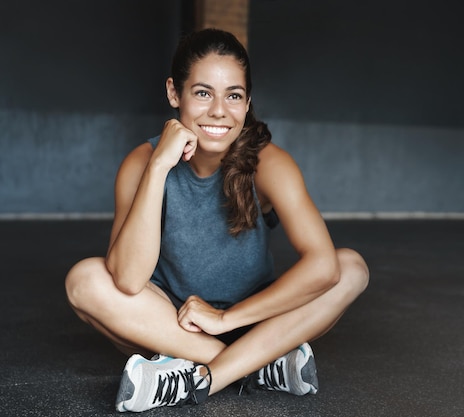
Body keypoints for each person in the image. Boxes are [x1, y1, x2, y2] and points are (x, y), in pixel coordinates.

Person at [65, 27, 369, 413]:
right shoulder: (141, 162)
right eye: (203, 93)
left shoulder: (269, 163)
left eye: (234, 96)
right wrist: (159, 166)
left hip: (255, 317)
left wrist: (226, 318)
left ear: (247, 103)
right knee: (85, 281)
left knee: (350, 267)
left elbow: (323, 267)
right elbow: (126, 277)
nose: (219, 111)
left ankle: (203, 377)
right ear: (175, 93)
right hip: (175, 323)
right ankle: (258, 365)